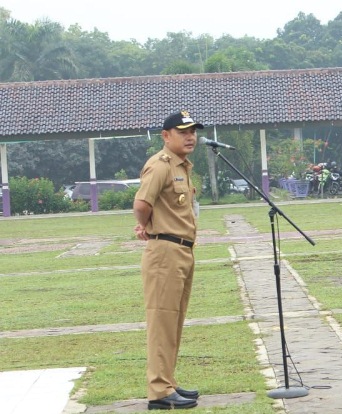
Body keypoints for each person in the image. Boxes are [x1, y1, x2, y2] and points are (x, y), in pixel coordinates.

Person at [133, 110, 202, 410]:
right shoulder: (160, 166)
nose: (190, 136)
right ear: (166, 136)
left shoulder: (182, 166)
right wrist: (146, 226)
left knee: (174, 322)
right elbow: (141, 203)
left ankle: (168, 381)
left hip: (182, 251)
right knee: (162, 321)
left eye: (193, 131)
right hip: (165, 252)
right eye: (183, 131)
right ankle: (159, 391)